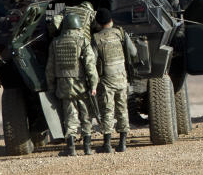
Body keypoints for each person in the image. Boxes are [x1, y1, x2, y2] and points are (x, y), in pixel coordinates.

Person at [45, 13, 98, 156]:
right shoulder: (83, 41)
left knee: (70, 116)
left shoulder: (55, 42)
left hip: (63, 85)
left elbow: (50, 68)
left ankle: (71, 148)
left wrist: (51, 87)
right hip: (81, 84)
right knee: (85, 115)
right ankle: (87, 148)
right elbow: (90, 66)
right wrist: (93, 85)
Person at [93, 8, 136, 153]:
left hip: (106, 80)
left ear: (98, 23)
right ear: (111, 21)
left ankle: (107, 144)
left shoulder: (96, 38)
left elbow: (91, 61)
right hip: (121, 78)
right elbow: (133, 52)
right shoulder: (120, 33)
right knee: (122, 109)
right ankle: (123, 143)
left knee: (107, 110)